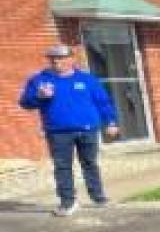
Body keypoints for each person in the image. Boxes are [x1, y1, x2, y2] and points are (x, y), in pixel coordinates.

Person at [17, 44, 121, 216]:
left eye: (61, 58)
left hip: (87, 129)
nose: (56, 61)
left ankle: (98, 197)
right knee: (62, 166)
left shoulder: (87, 79)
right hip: (58, 132)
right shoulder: (40, 79)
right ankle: (68, 202)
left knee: (90, 164)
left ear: (71, 59)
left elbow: (103, 102)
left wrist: (111, 122)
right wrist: (39, 96)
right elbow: (25, 103)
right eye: (53, 58)